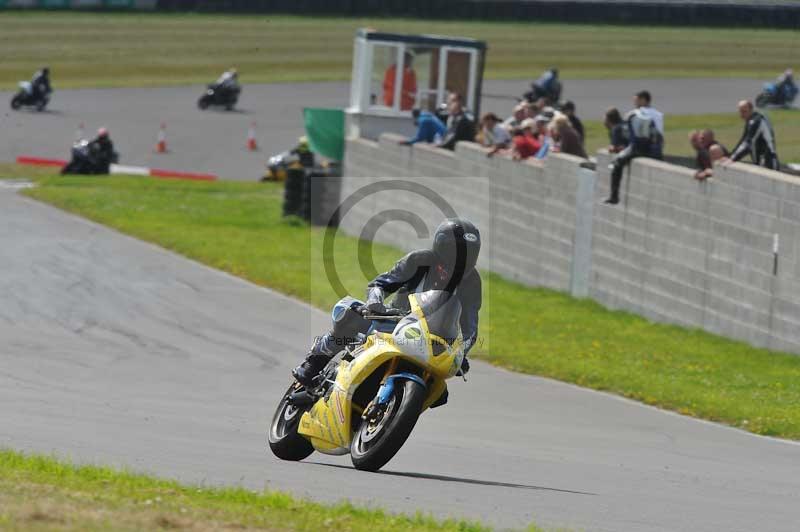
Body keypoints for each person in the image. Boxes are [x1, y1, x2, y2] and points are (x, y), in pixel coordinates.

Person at [292, 218, 481, 388]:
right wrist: (375, 303)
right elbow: (380, 284)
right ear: (440, 248)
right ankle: (314, 362)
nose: (462, 260)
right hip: (394, 322)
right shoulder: (419, 260)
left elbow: (471, 326)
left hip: (432, 341)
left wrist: (461, 352)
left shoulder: (472, 282)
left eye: (469, 254)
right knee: (352, 312)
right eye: (455, 252)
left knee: (439, 391)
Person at [605, 92, 664, 205]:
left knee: (616, 164)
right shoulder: (658, 114)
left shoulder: (633, 114)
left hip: (638, 147)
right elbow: (659, 133)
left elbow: (631, 135)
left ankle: (614, 196)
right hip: (655, 147)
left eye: (636, 100)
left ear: (644, 100)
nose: (634, 102)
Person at [725, 100, 779, 170]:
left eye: (744, 111)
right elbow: (743, 140)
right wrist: (731, 156)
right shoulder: (750, 121)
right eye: (740, 111)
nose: (741, 115)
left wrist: (733, 158)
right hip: (760, 160)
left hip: (767, 161)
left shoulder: (757, 121)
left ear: (751, 110)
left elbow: (749, 143)